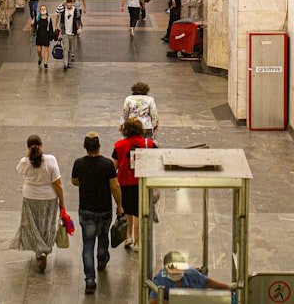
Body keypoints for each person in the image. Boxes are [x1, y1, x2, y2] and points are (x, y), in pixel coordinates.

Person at [71, 132, 124, 295]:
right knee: (103, 236)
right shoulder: (107, 165)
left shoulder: (79, 163)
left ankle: (90, 280)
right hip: (104, 210)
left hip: (86, 210)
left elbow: (74, 181)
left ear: (84, 147)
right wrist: (120, 206)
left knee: (88, 243)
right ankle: (101, 260)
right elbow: (114, 186)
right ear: (99, 146)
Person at [10, 134, 66, 273]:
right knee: (47, 224)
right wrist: (62, 203)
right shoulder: (51, 160)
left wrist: (27, 156)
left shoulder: (25, 161)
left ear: (28, 147)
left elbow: (20, 171)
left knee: (32, 224)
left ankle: (38, 249)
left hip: (30, 197)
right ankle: (44, 249)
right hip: (49, 197)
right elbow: (57, 183)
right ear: (41, 144)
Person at [111, 118, 156, 251]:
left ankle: (128, 236)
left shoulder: (119, 145)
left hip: (124, 182)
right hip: (141, 182)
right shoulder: (148, 143)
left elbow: (113, 166)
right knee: (138, 213)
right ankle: (137, 242)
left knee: (127, 209)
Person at [149, 250, 232, 302]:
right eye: (172, 268)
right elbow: (153, 301)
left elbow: (208, 282)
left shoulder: (191, 274)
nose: (176, 272)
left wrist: (229, 288)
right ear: (166, 269)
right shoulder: (161, 279)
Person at [55, 0, 82, 69]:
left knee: (71, 48)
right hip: (65, 33)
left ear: (72, 3)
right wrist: (60, 33)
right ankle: (65, 63)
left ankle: (69, 62)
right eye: (68, 3)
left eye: (70, 3)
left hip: (72, 32)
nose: (69, 5)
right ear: (66, 4)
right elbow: (61, 23)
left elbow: (78, 20)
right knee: (66, 48)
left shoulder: (76, 11)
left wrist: (79, 28)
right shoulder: (63, 12)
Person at [33, 3, 54, 69]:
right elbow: (34, 26)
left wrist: (51, 36)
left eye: (44, 9)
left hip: (46, 36)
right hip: (39, 36)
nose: (43, 10)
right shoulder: (37, 18)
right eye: (42, 9)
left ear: (46, 10)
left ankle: (45, 63)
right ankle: (40, 58)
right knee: (39, 50)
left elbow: (50, 28)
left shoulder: (48, 18)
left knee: (46, 49)